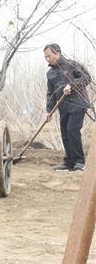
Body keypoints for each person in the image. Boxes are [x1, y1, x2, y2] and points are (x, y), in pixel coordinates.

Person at [44, 44, 91, 172]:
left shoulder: (72, 65)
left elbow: (86, 77)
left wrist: (72, 85)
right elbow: (51, 94)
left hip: (78, 104)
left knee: (72, 130)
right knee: (65, 134)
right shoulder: (50, 74)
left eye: (49, 55)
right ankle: (69, 162)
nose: (47, 59)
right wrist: (48, 111)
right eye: (46, 57)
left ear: (57, 54)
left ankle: (80, 161)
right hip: (63, 107)